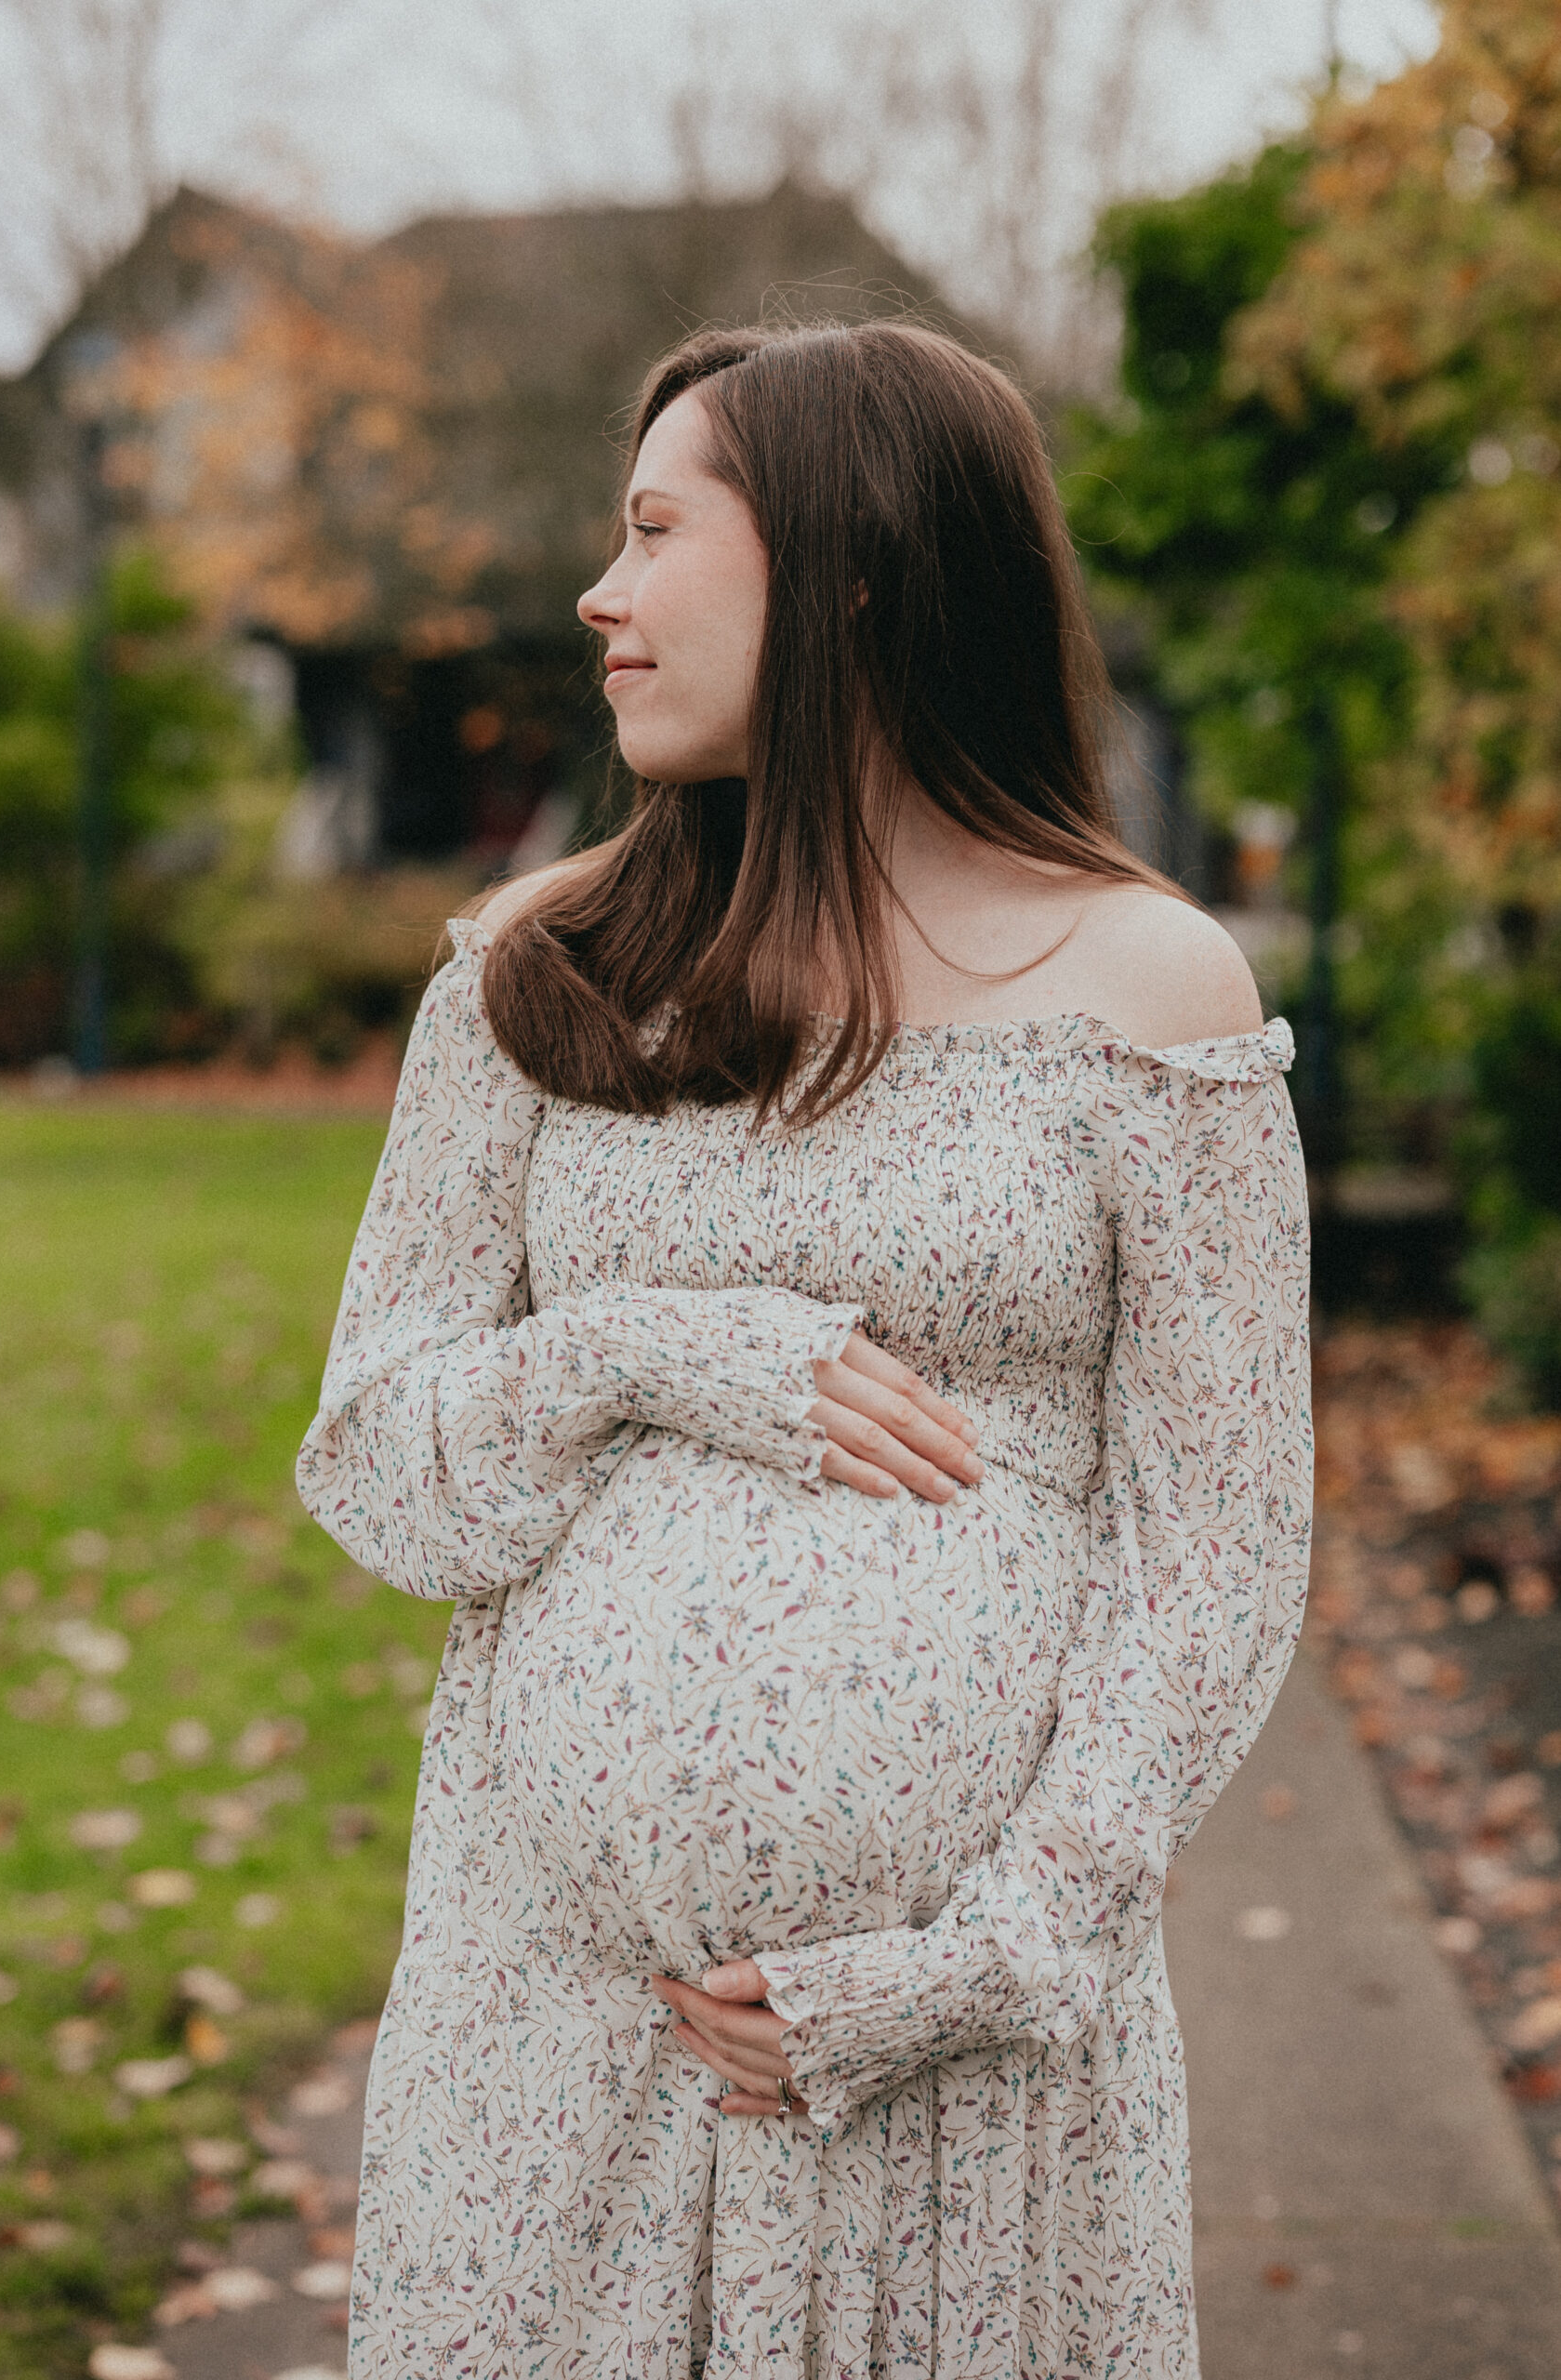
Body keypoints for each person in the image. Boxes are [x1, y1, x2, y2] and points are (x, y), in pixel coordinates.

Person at [298, 318, 1312, 2380]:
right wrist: (652, 1351)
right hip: (551, 2038)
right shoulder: (533, 967)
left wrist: (994, 1952)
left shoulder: (1149, 983)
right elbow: (376, 1464)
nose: (601, 590)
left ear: (848, 575)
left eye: (657, 530)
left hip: (962, 2071)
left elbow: (1214, 1541)